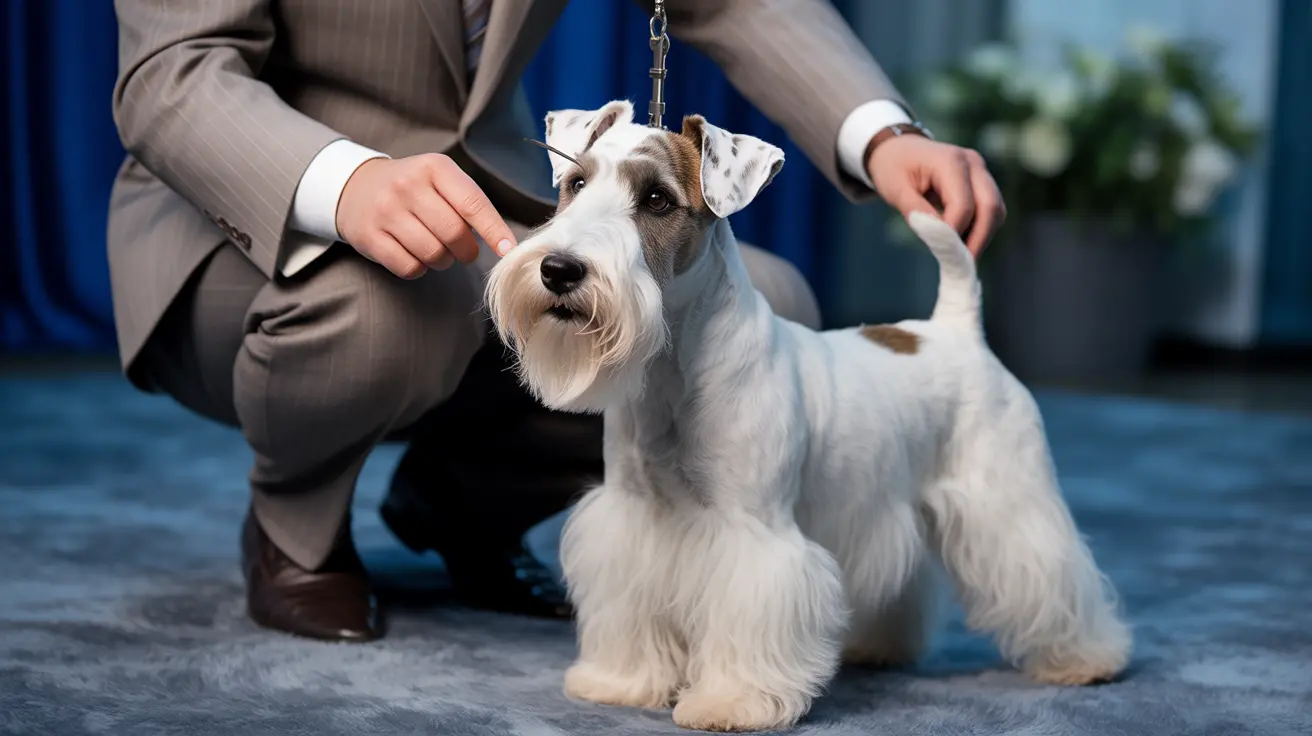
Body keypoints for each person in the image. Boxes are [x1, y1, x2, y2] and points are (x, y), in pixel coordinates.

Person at [107, 0, 1006, 643]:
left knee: (763, 315)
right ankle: (293, 530)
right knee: (390, 317)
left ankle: (465, 501)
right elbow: (171, 74)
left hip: (492, 201)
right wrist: (345, 182)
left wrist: (883, 135)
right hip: (245, 216)